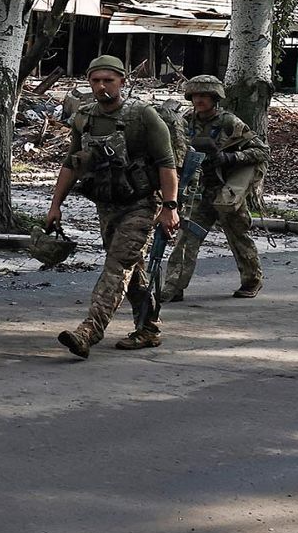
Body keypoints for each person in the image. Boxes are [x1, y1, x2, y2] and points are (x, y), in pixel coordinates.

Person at [46, 55, 180, 358]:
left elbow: (166, 164)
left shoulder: (143, 116)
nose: (102, 86)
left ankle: (89, 331)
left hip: (142, 205)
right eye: (95, 80)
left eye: (109, 80)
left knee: (118, 266)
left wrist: (170, 207)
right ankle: (148, 329)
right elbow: (71, 163)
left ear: (122, 81)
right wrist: (56, 205)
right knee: (132, 269)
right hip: (107, 205)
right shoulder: (85, 117)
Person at [161, 75, 268, 300]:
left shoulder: (229, 122)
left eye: (205, 96)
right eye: (196, 96)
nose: (199, 100)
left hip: (225, 189)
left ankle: (252, 280)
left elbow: (261, 151)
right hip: (198, 191)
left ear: (215, 98)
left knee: (238, 236)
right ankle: (173, 287)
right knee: (185, 239)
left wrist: (229, 158)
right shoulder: (185, 120)